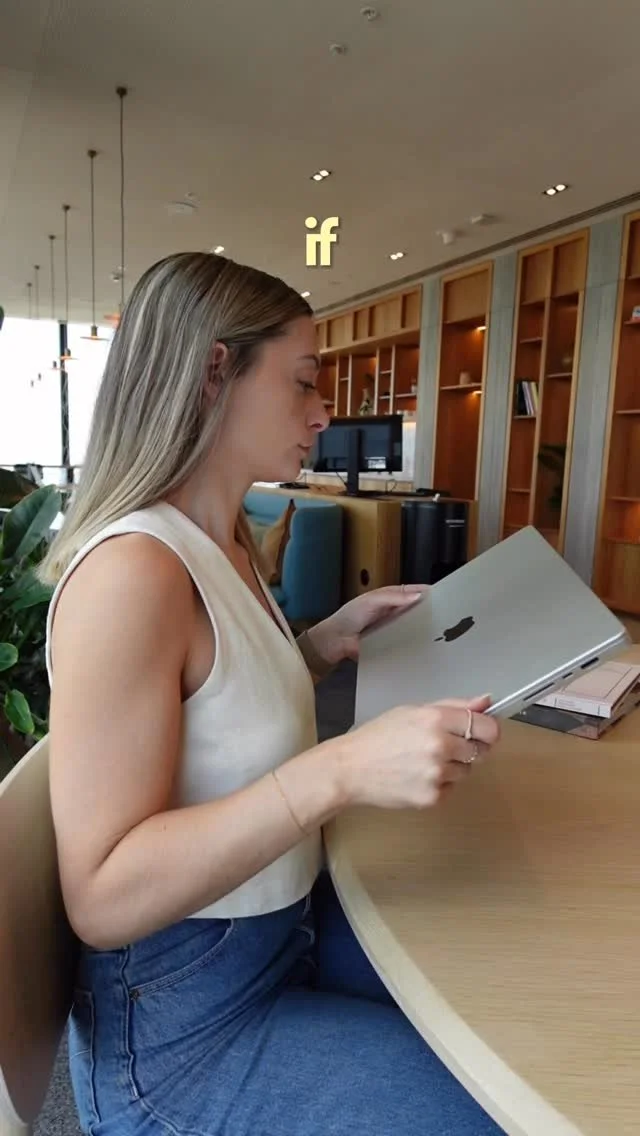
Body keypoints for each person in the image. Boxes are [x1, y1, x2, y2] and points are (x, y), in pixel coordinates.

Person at [40, 251, 504, 1136]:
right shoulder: (134, 571)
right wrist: (339, 771)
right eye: (303, 381)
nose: (324, 412)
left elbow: (210, 707)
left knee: (500, 997)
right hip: (181, 1034)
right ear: (214, 372)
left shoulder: (222, 544)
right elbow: (101, 897)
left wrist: (324, 644)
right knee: (490, 1112)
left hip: (280, 934)